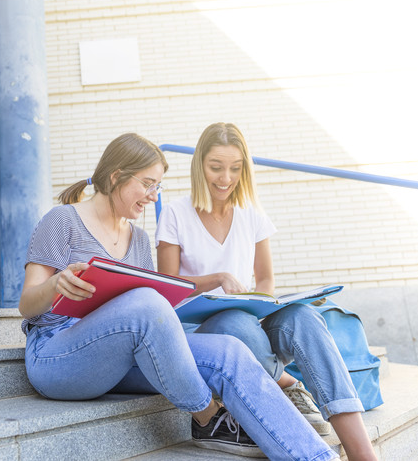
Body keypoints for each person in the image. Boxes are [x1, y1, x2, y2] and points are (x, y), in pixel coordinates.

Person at [19, 132, 338, 460]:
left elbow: (153, 318)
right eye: (147, 184)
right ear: (116, 176)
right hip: (56, 356)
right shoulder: (62, 220)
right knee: (146, 302)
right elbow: (26, 305)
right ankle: (208, 417)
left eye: (157, 186)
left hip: (123, 357)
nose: (152, 196)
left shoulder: (140, 240)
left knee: (229, 351)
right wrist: (56, 284)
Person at [156, 122, 377, 461]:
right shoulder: (174, 213)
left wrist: (265, 305)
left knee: (303, 316)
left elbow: (266, 283)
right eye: (216, 167)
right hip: (202, 333)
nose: (225, 178)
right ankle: (286, 382)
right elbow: (166, 290)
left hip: (251, 325)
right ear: (199, 164)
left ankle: (363, 454)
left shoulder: (252, 214)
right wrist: (217, 278)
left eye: (235, 168)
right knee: (234, 323)